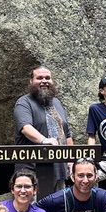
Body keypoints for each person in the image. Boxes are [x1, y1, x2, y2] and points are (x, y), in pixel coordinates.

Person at [13, 66, 73, 198]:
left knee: (58, 208)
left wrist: (71, 160)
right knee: (33, 209)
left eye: (47, 78)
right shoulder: (24, 103)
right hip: (31, 173)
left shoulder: (57, 103)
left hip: (58, 172)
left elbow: (67, 134)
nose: (44, 81)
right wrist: (44, 140)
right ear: (31, 81)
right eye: (39, 78)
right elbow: (25, 127)